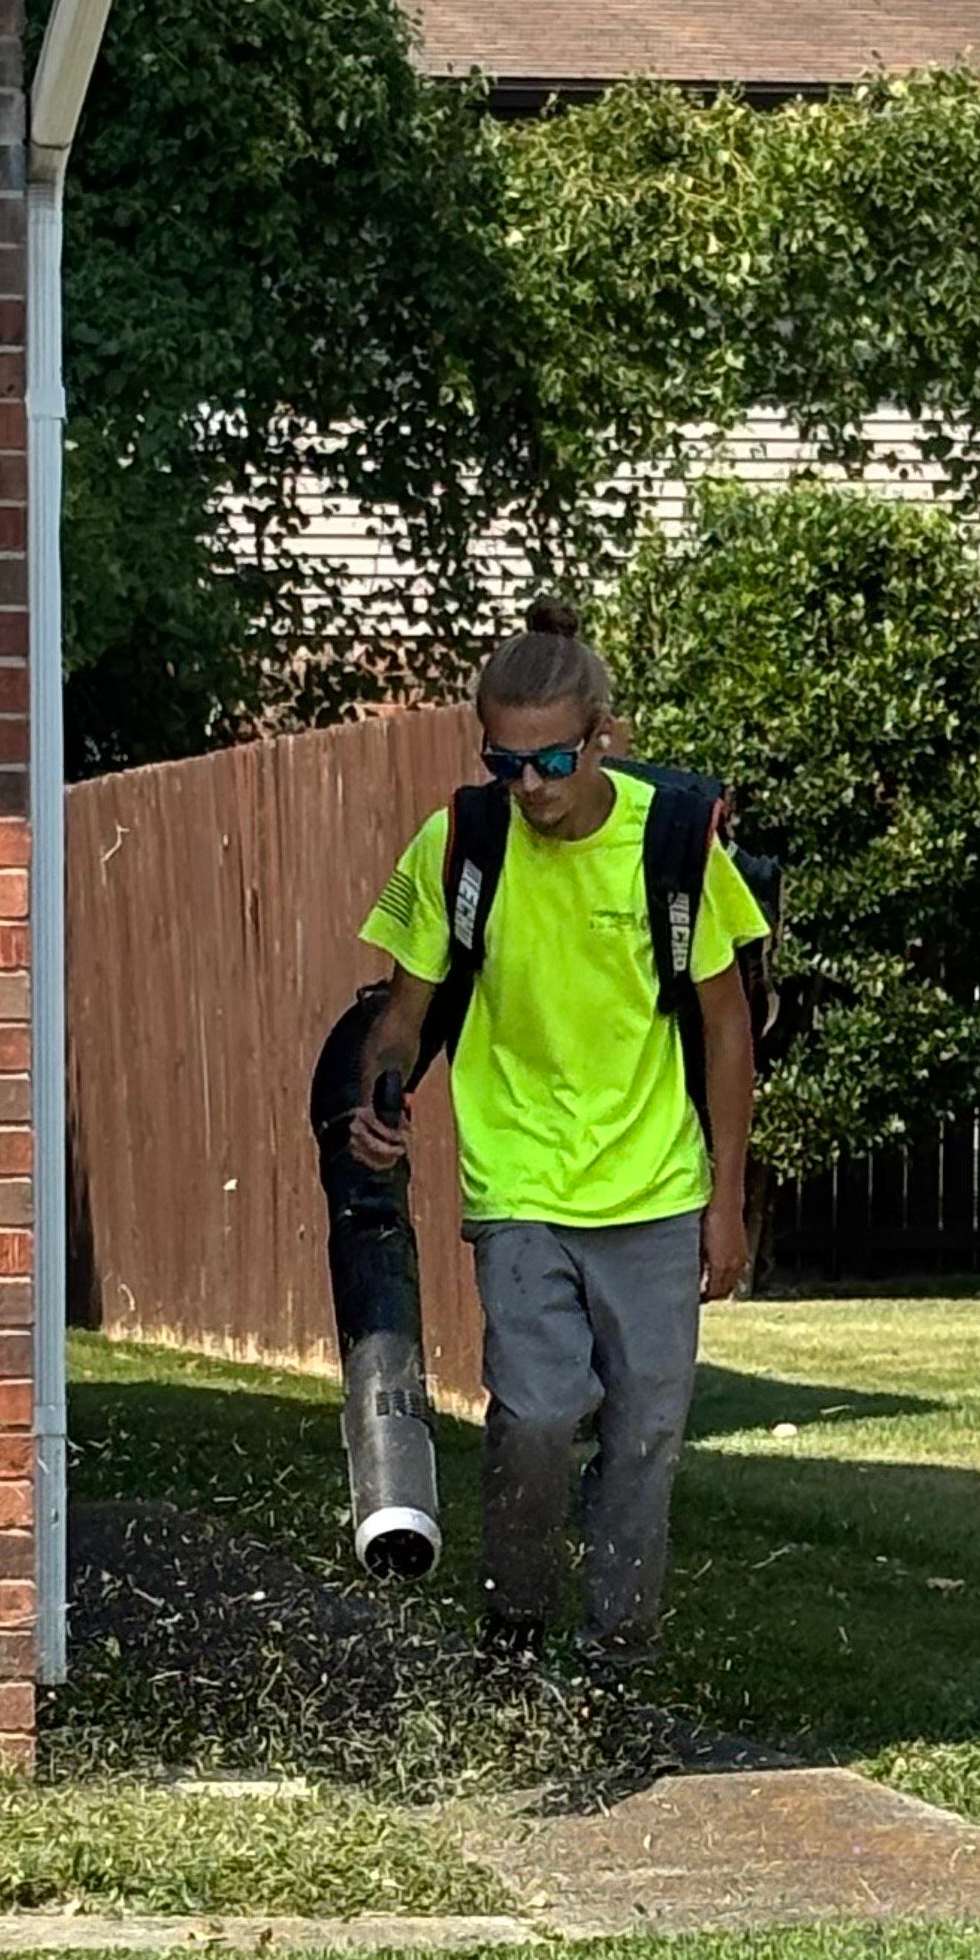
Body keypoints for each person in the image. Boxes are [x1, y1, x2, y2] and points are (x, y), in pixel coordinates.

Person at [354, 597, 767, 1671]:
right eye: (505, 763)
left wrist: (727, 1203)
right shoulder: (463, 844)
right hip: (522, 1185)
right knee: (535, 1417)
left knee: (643, 1440)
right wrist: (383, 1092)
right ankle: (517, 1620)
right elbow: (402, 1013)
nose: (528, 788)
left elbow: (728, 1027)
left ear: (601, 739)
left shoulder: (672, 847)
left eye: (549, 763)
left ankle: (616, 1657)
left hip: (657, 1193)